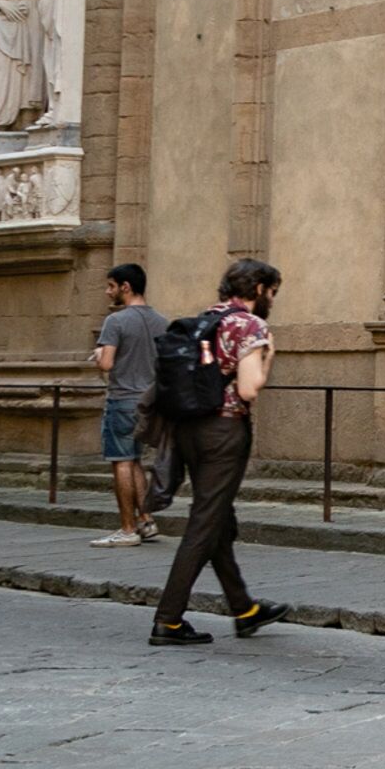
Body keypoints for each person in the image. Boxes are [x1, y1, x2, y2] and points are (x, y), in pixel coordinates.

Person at [147, 258, 283, 647]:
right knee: (205, 523)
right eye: (271, 293)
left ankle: (244, 610)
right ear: (258, 289)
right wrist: (268, 355)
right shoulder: (249, 325)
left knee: (217, 519)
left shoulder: (206, 319)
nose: (271, 300)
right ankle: (168, 619)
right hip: (224, 431)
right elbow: (248, 388)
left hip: (188, 427)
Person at [89, 263, 167, 548]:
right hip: (149, 401)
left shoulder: (116, 321)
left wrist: (99, 355)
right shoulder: (162, 321)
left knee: (121, 461)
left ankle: (127, 528)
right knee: (134, 461)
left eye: (111, 286)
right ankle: (146, 520)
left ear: (126, 287)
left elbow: (107, 364)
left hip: (122, 399)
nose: (107, 292)